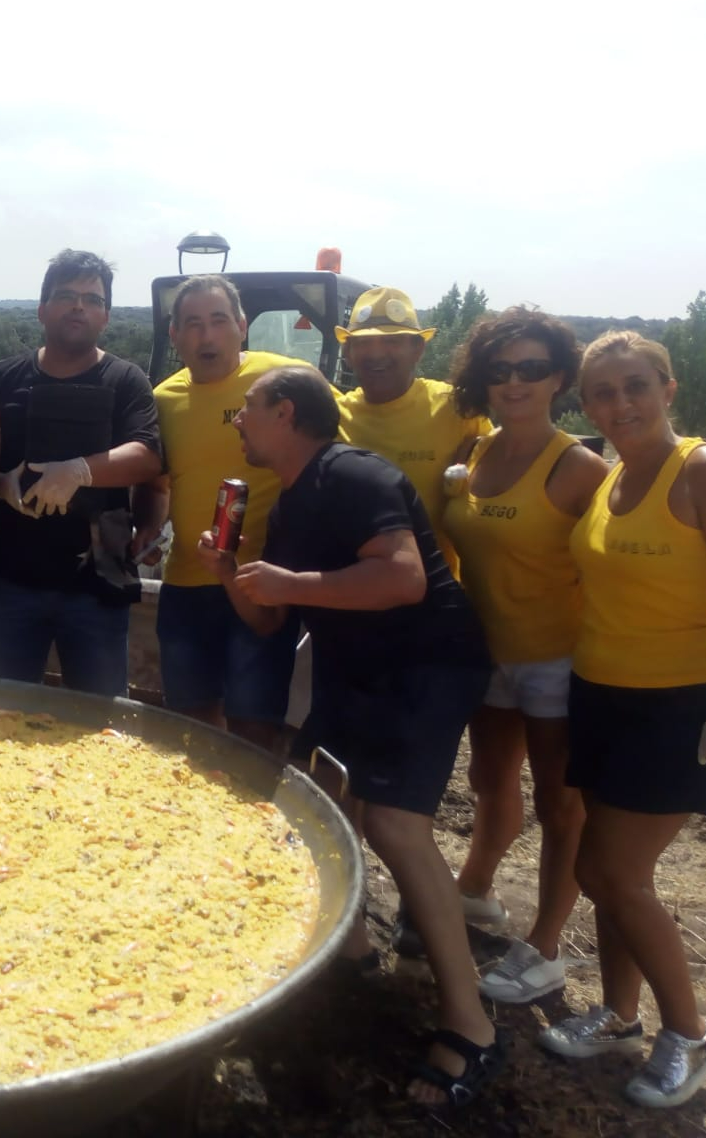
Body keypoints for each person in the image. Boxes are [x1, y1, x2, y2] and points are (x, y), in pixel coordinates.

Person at [200, 364, 501, 1108]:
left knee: (395, 824)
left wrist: (292, 584)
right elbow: (270, 618)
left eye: (246, 410)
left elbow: (404, 578)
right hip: (353, 668)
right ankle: (352, 953)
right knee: (325, 799)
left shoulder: (356, 474)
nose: (237, 423)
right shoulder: (291, 501)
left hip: (423, 662)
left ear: (285, 412)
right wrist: (231, 572)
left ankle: (471, 1026)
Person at [536, 332, 706, 1109]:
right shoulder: (613, 474)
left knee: (609, 873)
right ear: (586, 405)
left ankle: (692, 1033)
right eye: (603, 392)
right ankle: (619, 1014)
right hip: (601, 693)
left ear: (668, 389)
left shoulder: (705, 470)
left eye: (636, 386)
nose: (621, 404)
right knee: (612, 874)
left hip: (677, 703)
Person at [440, 308, 608, 1002]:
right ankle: (476, 890)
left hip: (556, 660)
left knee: (560, 805)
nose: (515, 383)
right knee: (488, 779)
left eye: (532, 369)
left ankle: (544, 947)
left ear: (559, 378)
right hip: (489, 652)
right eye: (500, 370)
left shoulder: (579, 468)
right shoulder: (475, 451)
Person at [138, 274, 311, 746]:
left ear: (242, 326)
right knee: (190, 728)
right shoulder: (162, 400)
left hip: (261, 584)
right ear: (174, 335)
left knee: (254, 729)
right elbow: (157, 482)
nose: (206, 336)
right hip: (186, 586)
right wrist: (149, 525)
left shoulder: (284, 381)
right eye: (193, 324)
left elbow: (337, 449)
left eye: (218, 321)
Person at [0, 249, 159, 695]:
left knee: (100, 718)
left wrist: (80, 470)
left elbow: (147, 455)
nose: (79, 306)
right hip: (13, 580)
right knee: (0, 710)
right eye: (66, 296)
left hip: (99, 585)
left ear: (106, 317)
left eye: (92, 299)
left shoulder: (126, 380)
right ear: (42, 309)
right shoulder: (3, 378)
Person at [336, 287, 489, 569]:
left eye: (392, 341)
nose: (376, 353)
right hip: (352, 584)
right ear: (347, 352)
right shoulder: (332, 416)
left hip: (436, 587)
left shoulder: (457, 409)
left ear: (418, 349)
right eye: (363, 342)